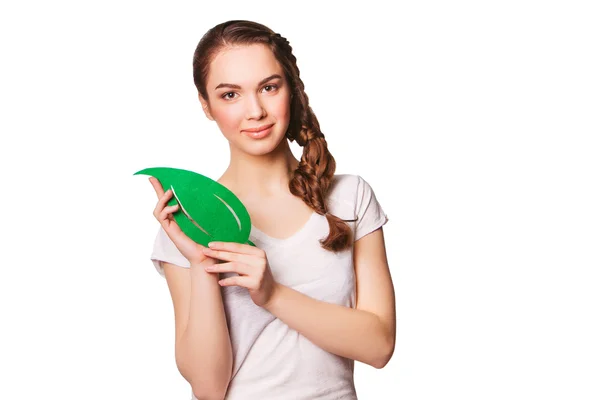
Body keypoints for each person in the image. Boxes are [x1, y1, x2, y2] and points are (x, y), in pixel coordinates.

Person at [148, 20, 396, 400]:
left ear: (290, 90)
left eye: (268, 87)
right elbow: (208, 387)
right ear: (206, 106)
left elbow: (378, 346)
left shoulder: (350, 198)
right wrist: (201, 264)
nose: (256, 111)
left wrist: (272, 294)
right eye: (230, 94)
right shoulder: (188, 221)